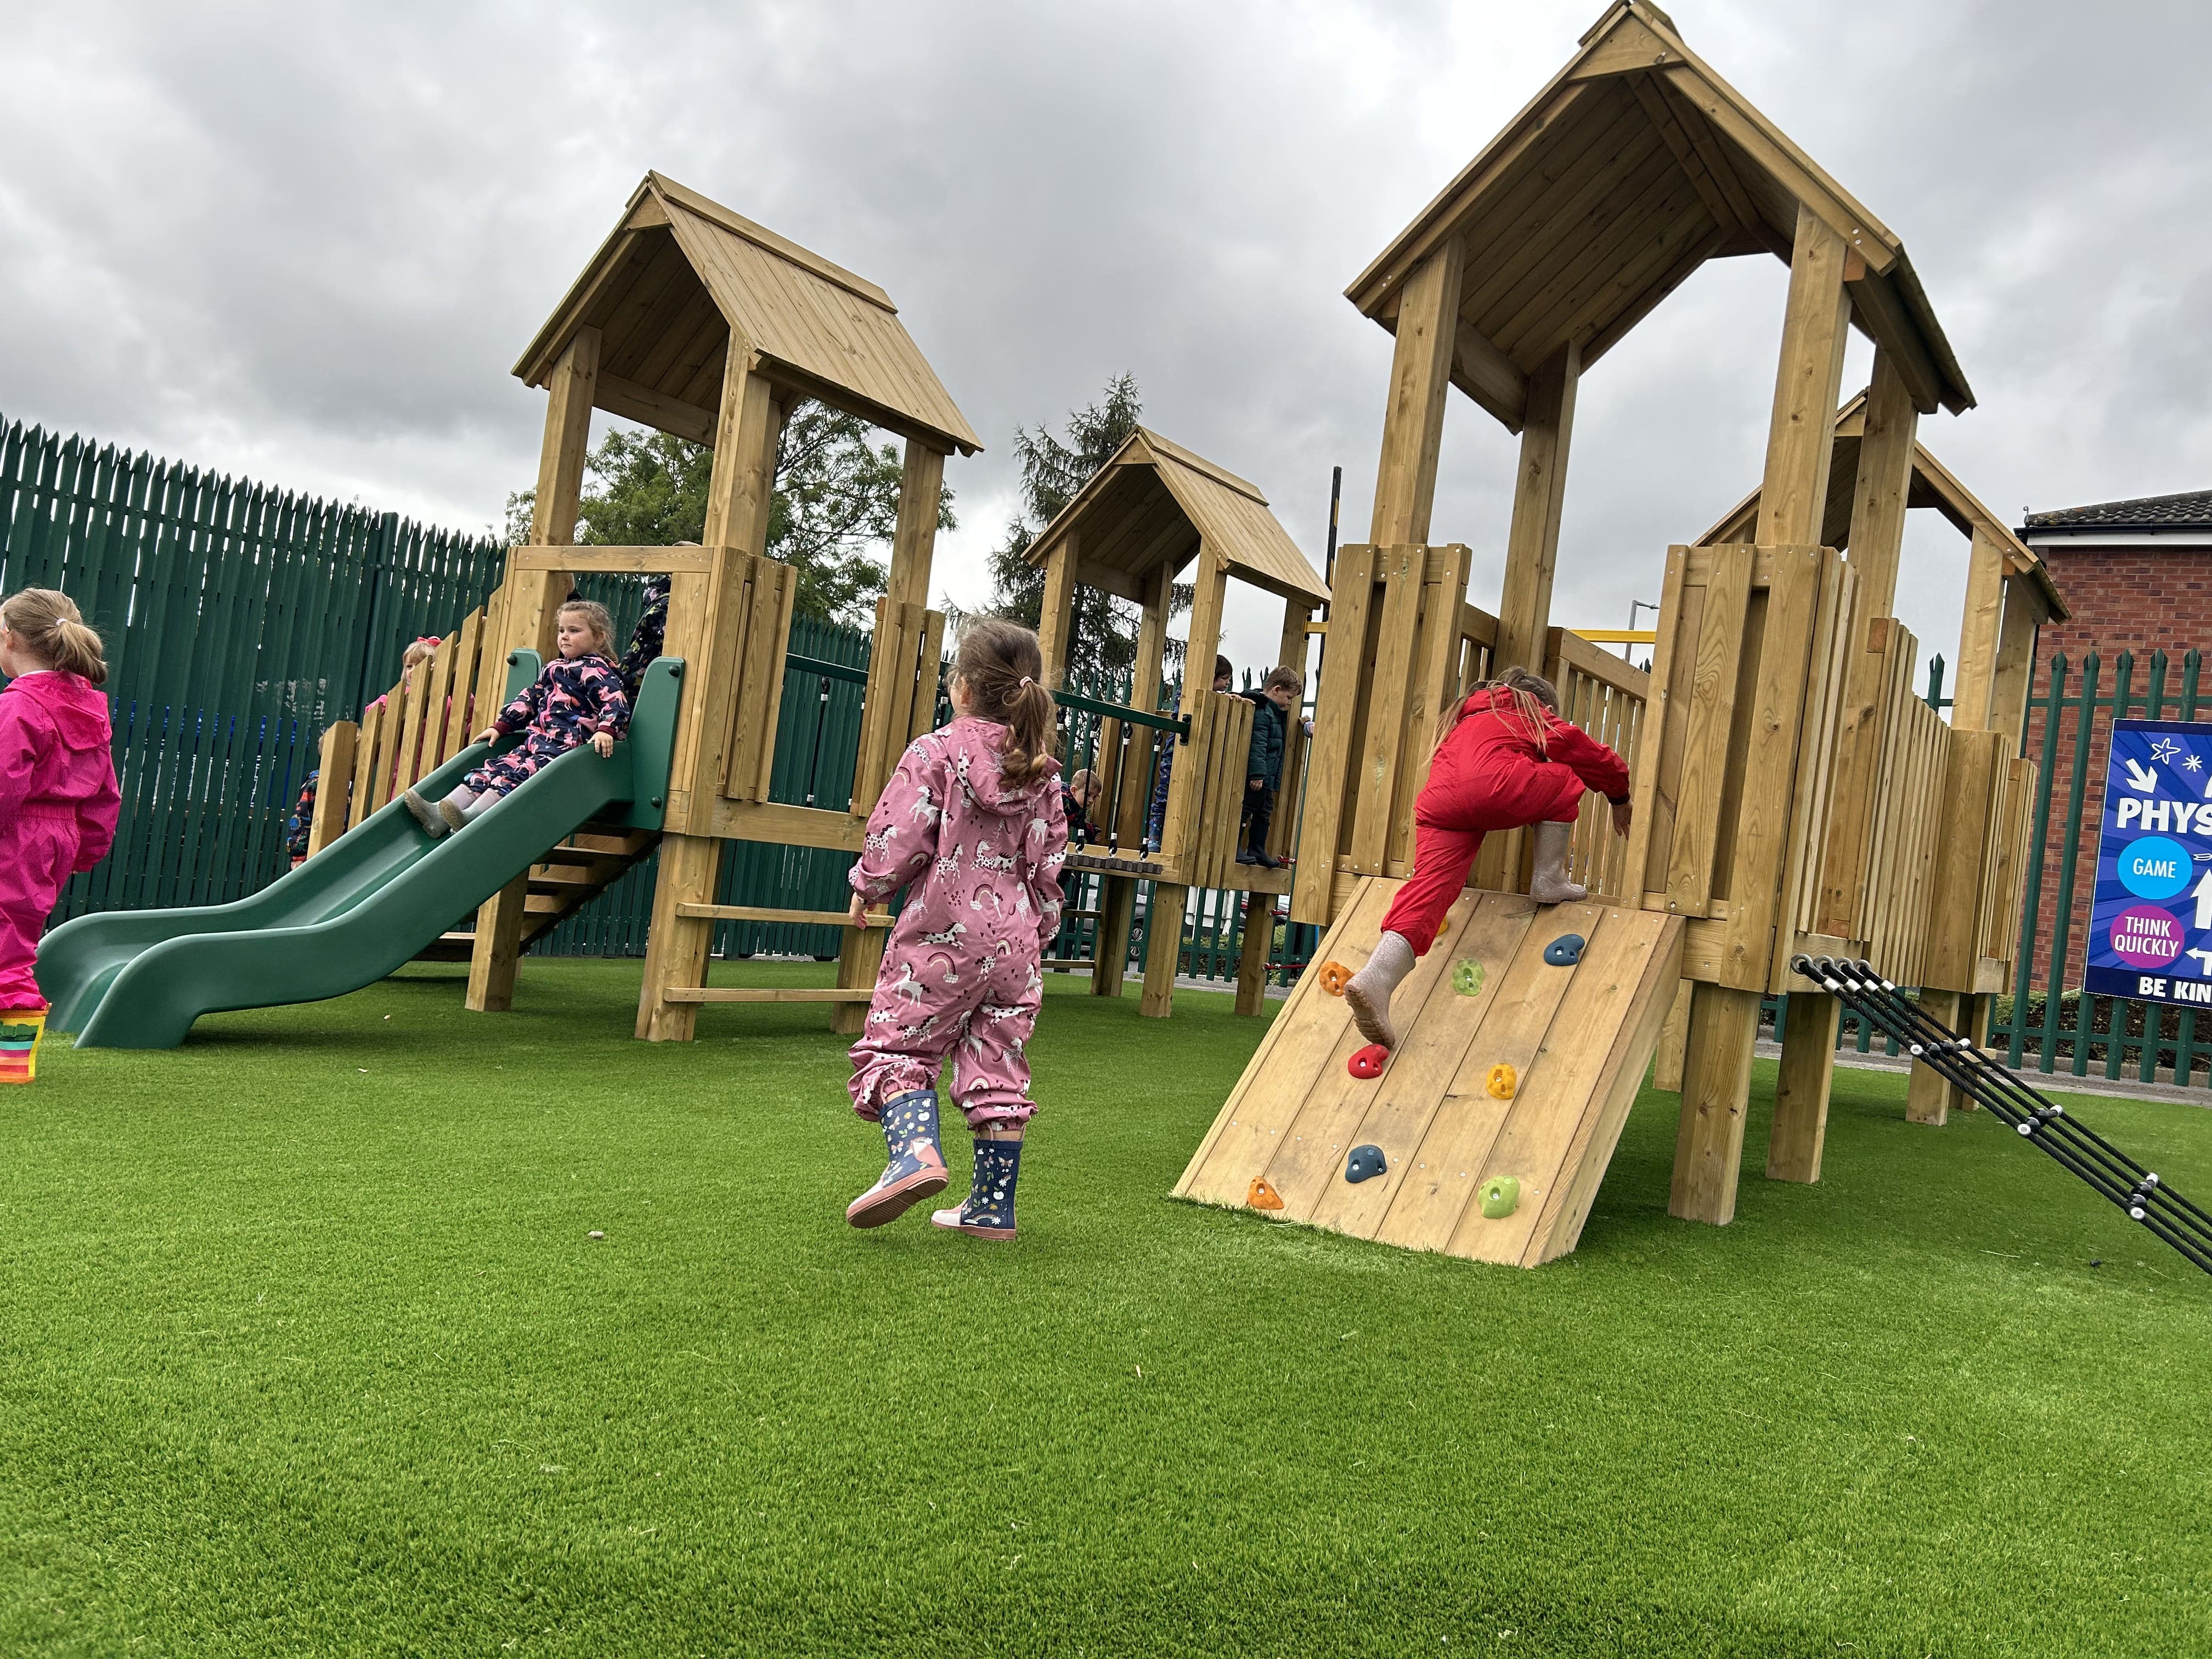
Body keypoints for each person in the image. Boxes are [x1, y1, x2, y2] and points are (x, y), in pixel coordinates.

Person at [842, 617, 1068, 1242]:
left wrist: (869, 886)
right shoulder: (1042, 772)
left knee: (900, 1045)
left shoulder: (935, 752)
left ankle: (914, 1155)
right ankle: (993, 1207)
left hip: (944, 930)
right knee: (999, 1063)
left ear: (963, 688)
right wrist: (1041, 926)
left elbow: (900, 835)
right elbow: (1049, 863)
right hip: (1015, 940)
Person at [1344, 668, 1631, 1050]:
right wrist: (1620, 795)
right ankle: (1548, 877)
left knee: (1429, 890)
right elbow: (1586, 752)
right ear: (1542, 703)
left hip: (1440, 804)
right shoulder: (1526, 711)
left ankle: (1376, 978)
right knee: (1567, 776)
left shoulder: (1467, 718)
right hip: (1495, 786)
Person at [0, 589, 121, 1082]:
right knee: (15, 939)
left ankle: (11, 1065)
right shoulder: (88, 708)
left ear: (8, 638)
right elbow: (104, 792)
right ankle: (10, 1062)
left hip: (16, 834)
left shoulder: (21, 706)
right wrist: (83, 848)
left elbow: (4, 781)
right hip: (54, 839)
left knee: (7, 949)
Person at [400, 600, 628, 837]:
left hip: (563, 749)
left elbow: (615, 702)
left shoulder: (598, 671)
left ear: (599, 637)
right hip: (535, 741)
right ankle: (440, 813)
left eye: (574, 631)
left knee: (517, 776)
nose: (565, 637)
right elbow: (530, 698)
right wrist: (502, 725)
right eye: (561, 631)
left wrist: (606, 730)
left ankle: (473, 817)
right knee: (493, 768)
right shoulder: (554, 667)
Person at [1146, 654, 1233, 851]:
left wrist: (1226, 698)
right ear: (1212, 676)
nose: (1227, 682)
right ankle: (1154, 836)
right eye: (1224, 678)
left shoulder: (1215, 699)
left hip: (1196, 753)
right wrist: (1220, 698)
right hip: (1175, 751)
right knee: (1165, 794)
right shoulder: (1184, 692)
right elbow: (1194, 704)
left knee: (1193, 797)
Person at [1237, 665, 1304, 869]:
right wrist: (1257, 774)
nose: (1289, 703)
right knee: (1247, 809)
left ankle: (1257, 849)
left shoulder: (1274, 713)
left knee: (1264, 811)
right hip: (1260, 775)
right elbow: (1258, 745)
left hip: (1268, 775)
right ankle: (1235, 847)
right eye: (1288, 698)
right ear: (1276, 690)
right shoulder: (1263, 712)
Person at [1063, 766, 1100, 847]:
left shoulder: (1077, 806)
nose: (1091, 800)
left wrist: (1093, 832)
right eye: (1088, 795)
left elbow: (1080, 823)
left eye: (1094, 797)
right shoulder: (1062, 799)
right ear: (1074, 791)